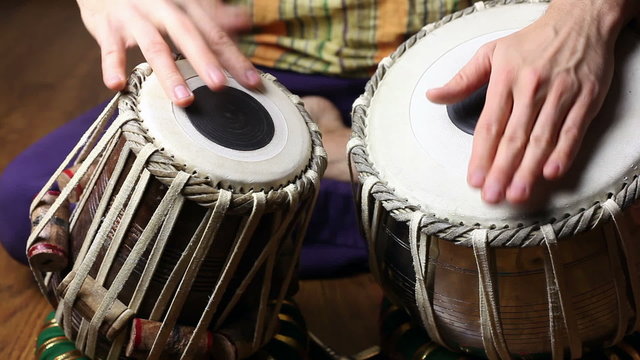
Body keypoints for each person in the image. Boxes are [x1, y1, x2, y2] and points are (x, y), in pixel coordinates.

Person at [0, 0, 637, 275]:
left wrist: (585, 15)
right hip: (267, 78)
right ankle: (407, 214)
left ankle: (276, 210)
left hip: (477, 62)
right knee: (36, 203)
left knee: (612, 187)